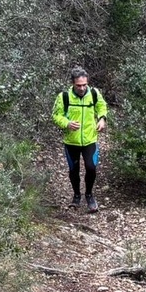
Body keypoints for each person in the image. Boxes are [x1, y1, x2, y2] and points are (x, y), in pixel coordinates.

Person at [52, 66, 108, 211]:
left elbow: (102, 107)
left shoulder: (94, 93)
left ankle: (89, 195)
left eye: (84, 85)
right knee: (73, 170)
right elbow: (56, 115)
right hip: (71, 141)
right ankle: (76, 196)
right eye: (79, 85)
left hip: (90, 139)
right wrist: (67, 123)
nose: (82, 88)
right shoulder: (64, 97)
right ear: (73, 83)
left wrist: (102, 119)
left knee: (91, 168)